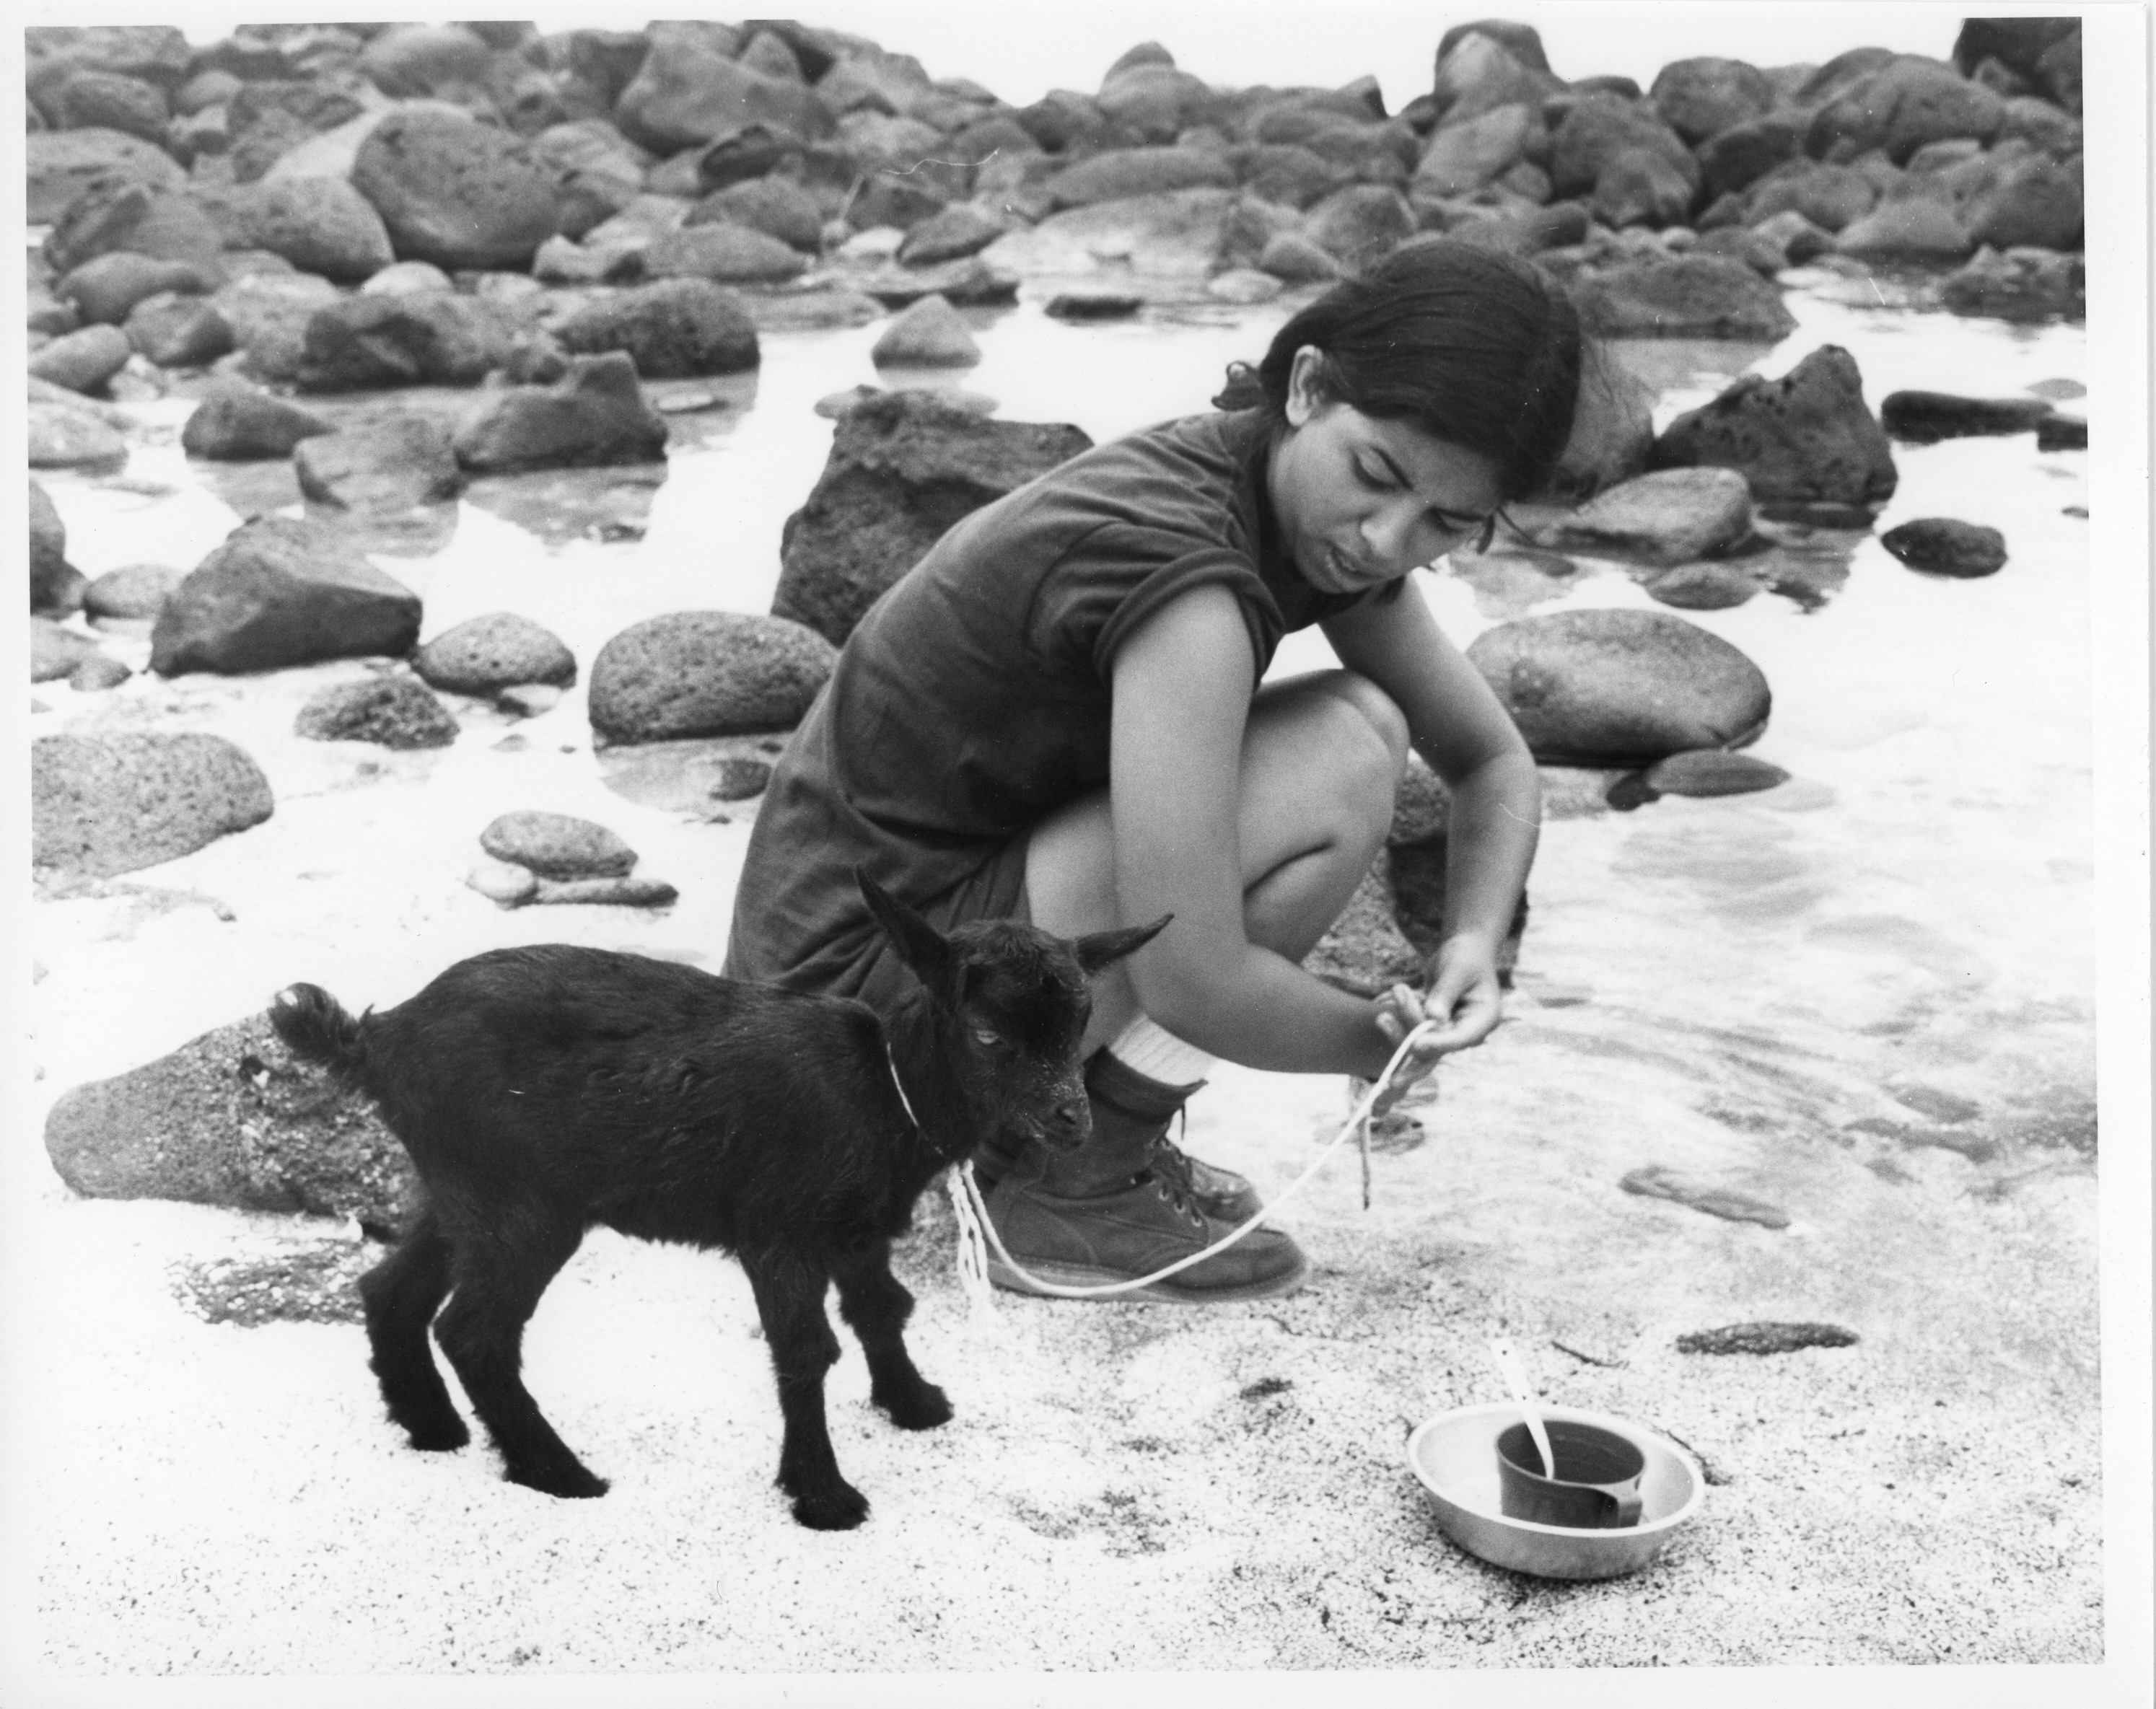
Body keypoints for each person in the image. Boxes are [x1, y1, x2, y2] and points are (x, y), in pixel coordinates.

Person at [724, 238, 1584, 1304]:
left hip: (886, 976)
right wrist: (1381, 1045)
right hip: (826, 1042)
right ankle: (1067, 1183)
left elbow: (1494, 760)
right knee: (1347, 749)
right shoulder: (1190, 586)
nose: (1383, 539)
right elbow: (1196, 978)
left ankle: (1070, 1145)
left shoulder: (1286, 496)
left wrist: (1472, 943)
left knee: (1357, 731)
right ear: (1311, 385)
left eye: (1448, 524)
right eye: (1377, 475)